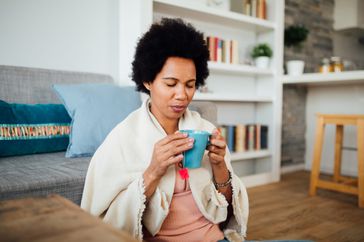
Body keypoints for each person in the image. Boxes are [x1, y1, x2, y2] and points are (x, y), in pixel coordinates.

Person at [81, 18, 249, 242]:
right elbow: (102, 221)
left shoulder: (204, 129)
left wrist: (219, 166)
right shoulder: (123, 138)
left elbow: (227, 213)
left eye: (190, 85)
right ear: (148, 81)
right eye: (171, 84)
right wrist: (153, 171)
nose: (182, 95)